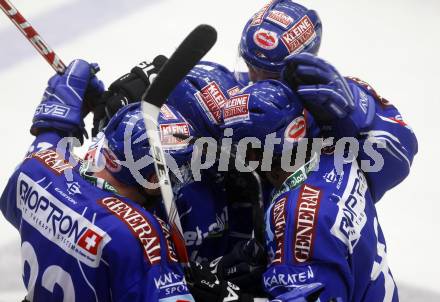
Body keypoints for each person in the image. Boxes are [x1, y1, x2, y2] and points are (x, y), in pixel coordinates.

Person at [0, 60, 196, 301]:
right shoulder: (141, 234)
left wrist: (61, 107)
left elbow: (47, 139)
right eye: (177, 169)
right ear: (152, 179)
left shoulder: (37, 169)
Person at [216, 79, 406, 301]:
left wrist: (231, 298)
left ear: (256, 154)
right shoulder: (336, 154)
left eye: (241, 149)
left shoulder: (297, 216)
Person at [237, 0, 418, 201]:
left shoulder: (334, 99)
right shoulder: (247, 92)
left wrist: (353, 119)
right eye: (250, 66)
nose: (255, 80)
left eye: (270, 75)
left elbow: (401, 158)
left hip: (299, 217)